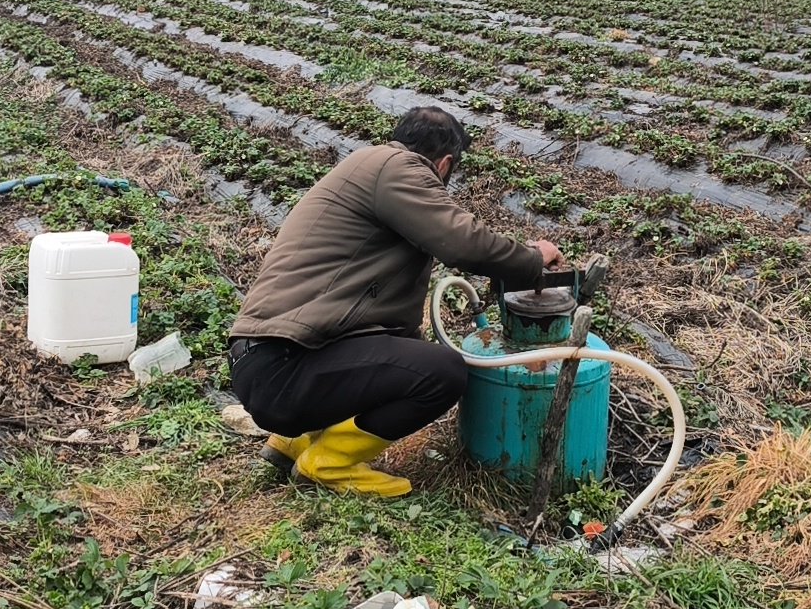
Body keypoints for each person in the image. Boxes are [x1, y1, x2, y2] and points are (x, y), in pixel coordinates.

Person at [225, 107, 564, 497]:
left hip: (269, 359)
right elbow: (460, 240)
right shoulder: (398, 168)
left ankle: (294, 442)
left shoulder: (369, 165)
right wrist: (533, 259)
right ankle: (328, 463)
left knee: (406, 356)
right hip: (283, 368)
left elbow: (382, 324)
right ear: (446, 163)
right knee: (443, 372)